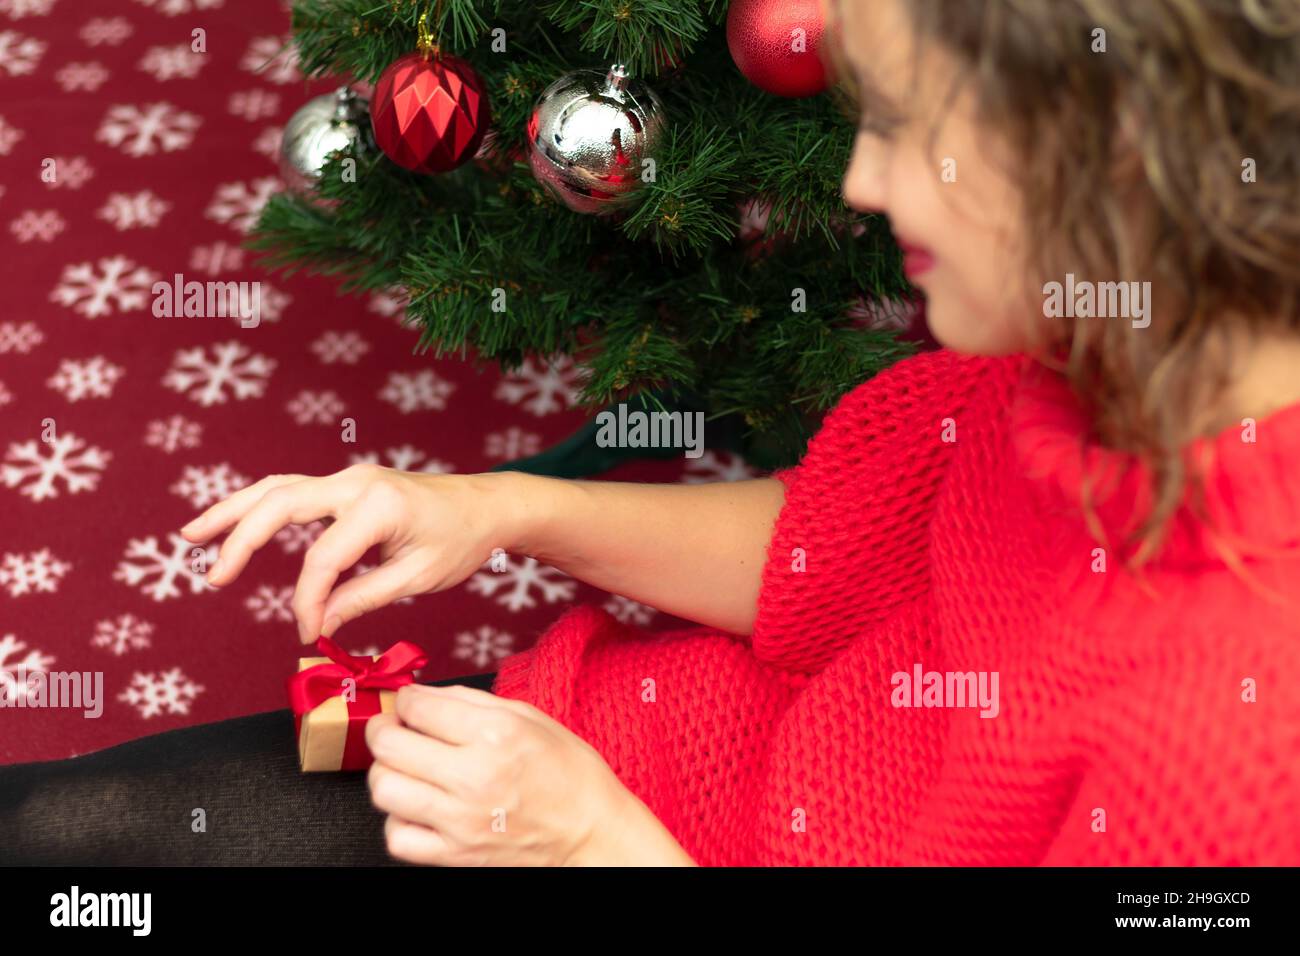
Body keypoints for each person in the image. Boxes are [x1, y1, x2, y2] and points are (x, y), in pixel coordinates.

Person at [3, 0, 1298, 866]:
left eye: (905, 126)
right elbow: (821, 550)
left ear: (1113, 153)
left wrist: (597, 847)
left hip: (604, 830)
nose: (860, 181)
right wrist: (500, 508)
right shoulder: (1092, 348)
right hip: (611, 761)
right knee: (65, 833)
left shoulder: (1236, 769)